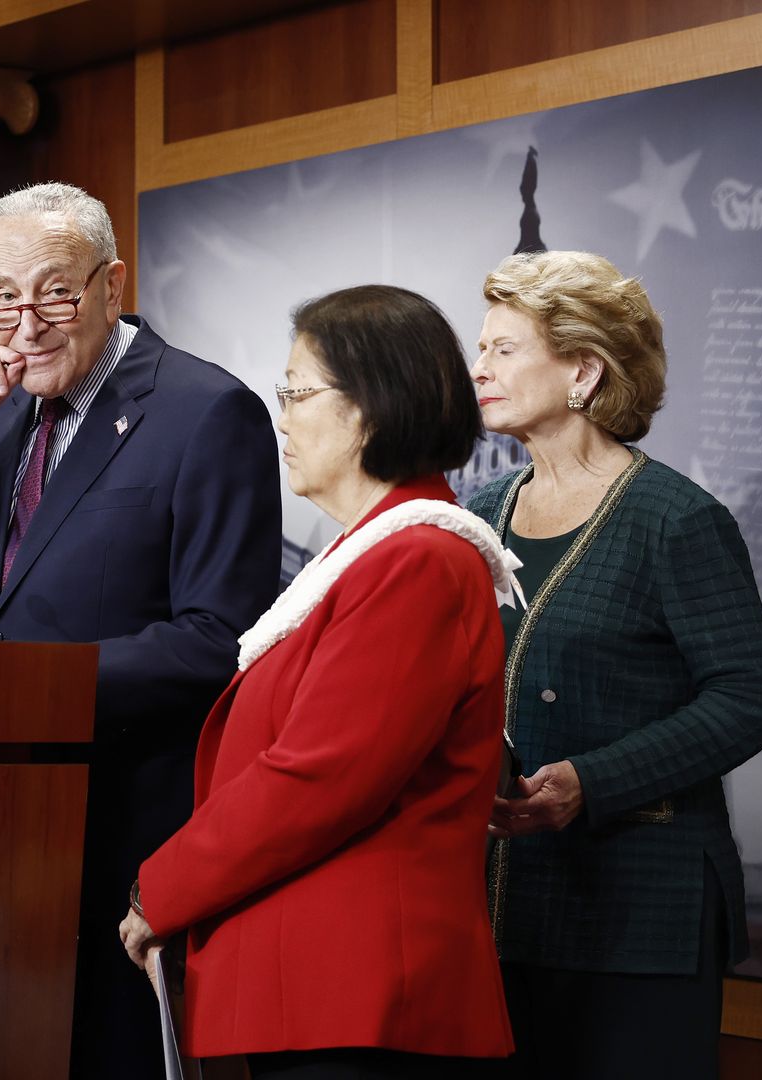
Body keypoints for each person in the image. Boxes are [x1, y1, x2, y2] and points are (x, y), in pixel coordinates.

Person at [0, 181, 282, 1075]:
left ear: (110, 284)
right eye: (3, 297)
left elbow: (222, 639)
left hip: (132, 827)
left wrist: (33, 687)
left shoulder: (205, 412)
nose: (26, 323)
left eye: (54, 291)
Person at [120, 285, 518, 1078]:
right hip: (313, 990)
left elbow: (320, 777)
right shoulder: (374, 553)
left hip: (361, 999)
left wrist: (158, 889)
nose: (284, 417)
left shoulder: (418, 561)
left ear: (369, 409)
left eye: (297, 392)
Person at [466, 251, 762, 1078]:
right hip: (495, 905)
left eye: (504, 349)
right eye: (481, 348)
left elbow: (755, 691)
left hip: (642, 911)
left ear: (582, 368)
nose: (479, 368)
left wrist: (592, 780)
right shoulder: (476, 514)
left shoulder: (675, 518)